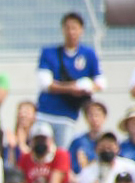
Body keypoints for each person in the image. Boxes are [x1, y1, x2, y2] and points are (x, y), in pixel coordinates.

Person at [35, 12, 104, 150]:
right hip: (45, 114)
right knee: (41, 150)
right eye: (68, 28)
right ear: (63, 29)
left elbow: (101, 82)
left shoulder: (88, 54)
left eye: (74, 28)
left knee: (63, 153)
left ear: (81, 30)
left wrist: (87, 88)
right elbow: (45, 84)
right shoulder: (49, 53)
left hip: (68, 117)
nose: (71, 32)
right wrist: (71, 88)